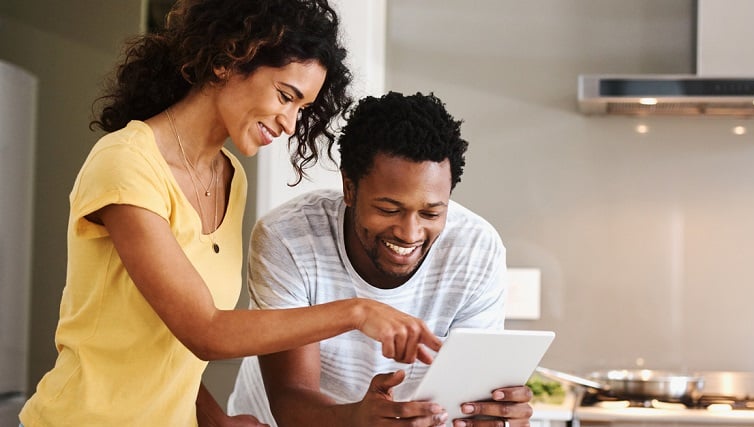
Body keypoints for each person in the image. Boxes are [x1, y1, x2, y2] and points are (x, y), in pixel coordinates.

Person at [18, 2, 441, 426]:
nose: (292, 123)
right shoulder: (126, 163)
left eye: (302, 108)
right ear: (228, 59)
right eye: (285, 96)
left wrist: (218, 421)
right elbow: (205, 331)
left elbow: (168, 342)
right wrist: (357, 311)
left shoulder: (228, 175)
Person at [227, 91, 534, 427]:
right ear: (349, 187)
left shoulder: (476, 248)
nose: (409, 232)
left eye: (431, 213)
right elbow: (290, 398)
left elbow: (466, 397)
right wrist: (355, 419)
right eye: (389, 210)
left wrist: (491, 416)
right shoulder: (289, 237)